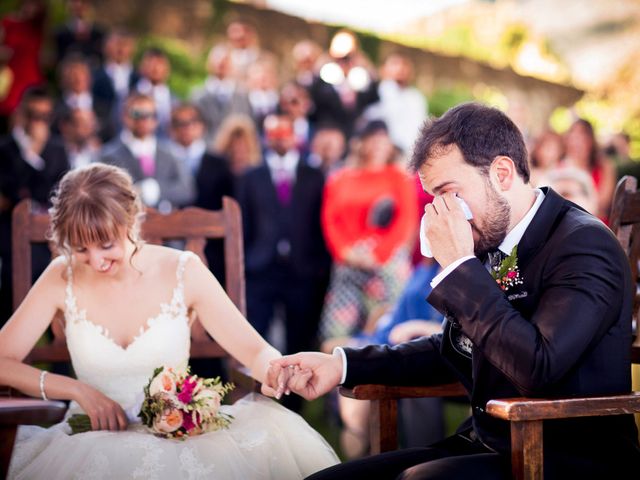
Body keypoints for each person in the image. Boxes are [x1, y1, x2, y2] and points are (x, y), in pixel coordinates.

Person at [270, 102, 640, 479]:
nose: (441, 212)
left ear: (501, 173)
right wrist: (343, 365)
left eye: (449, 193)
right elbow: (452, 350)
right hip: (489, 445)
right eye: (434, 198)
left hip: (567, 458)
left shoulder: (584, 245)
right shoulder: (489, 240)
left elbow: (538, 367)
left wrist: (460, 268)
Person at [2, 163, 340, 479]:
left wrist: (275, 371)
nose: (96, 260)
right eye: (80, 249)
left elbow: (254, 350)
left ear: (133, 219)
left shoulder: (184, 270)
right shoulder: (61, 276)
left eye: (106, 244)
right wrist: (76, 390)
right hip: (88, 443)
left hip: (180, 442)